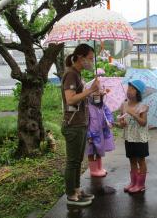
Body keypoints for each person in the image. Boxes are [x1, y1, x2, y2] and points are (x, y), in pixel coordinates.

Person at [61, 44, 99, 206]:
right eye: (90, 58)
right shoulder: (70, 74)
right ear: (81, 58)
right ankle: (71, 194)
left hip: (80, 123)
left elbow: (80, 97)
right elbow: (70, 99)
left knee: (77, 160)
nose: (91, 62)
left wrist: (95, 92)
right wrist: (90, 91)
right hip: (73, 124)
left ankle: (76, 189)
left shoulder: (77, 73)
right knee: (73, 161)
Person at [117, 80, 149, 194]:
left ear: (138, 92)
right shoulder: (124, 105)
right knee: (132, 160)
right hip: (129, 137)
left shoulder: (143, 106)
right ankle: (133, 182)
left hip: (140, 138)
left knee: (141, 160)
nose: (129, 91)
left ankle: (141, 184)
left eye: (132, 89)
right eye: (128, 88)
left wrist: (133, 114)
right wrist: (121, 123)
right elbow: (121, 123)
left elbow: (143, 123)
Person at [87, 90, 115, 177]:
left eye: (99, 93)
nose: (97, 95)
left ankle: (99, 168)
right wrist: (88, 134)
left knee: (99, 151)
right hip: (91, 133)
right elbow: (85, 121)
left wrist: (110, 121)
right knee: (91, 151)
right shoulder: (87, 106)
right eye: (94, 92)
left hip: (100, 132)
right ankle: (93, 170)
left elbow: (108, 113)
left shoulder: (102, 105)